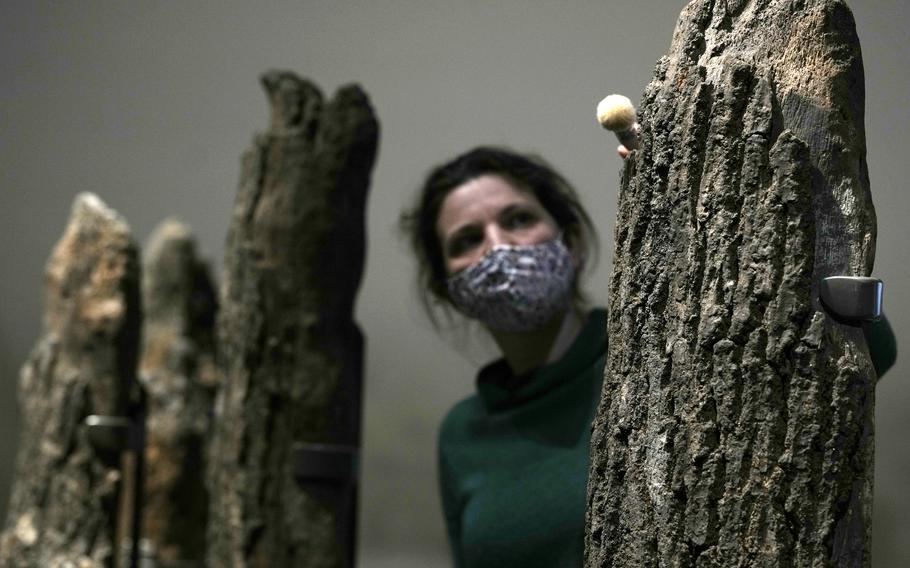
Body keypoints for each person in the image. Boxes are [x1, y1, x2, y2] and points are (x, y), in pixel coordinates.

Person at [400, 146, 897, 568]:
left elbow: (865, 349)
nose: (499, 247)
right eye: (467, 240)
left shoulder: (657, 354)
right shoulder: (463, 433)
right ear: (448, 290)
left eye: (518, 218)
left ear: (570, 242)